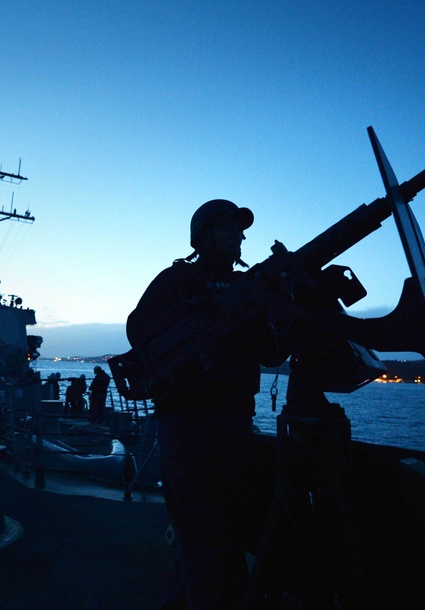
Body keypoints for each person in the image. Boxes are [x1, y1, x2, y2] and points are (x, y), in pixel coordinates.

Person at [126, 199, 289, 609]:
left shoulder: (246, 288)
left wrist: (283, 302)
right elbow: (138, 328)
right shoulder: (178, 280)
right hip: (188, 424)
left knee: (215, 534)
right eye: (230, 229)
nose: (240, 238)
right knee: (205, 536)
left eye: (240, 231)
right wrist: (190, 312)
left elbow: (270, 353)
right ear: (204, 237)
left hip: (234, 421)